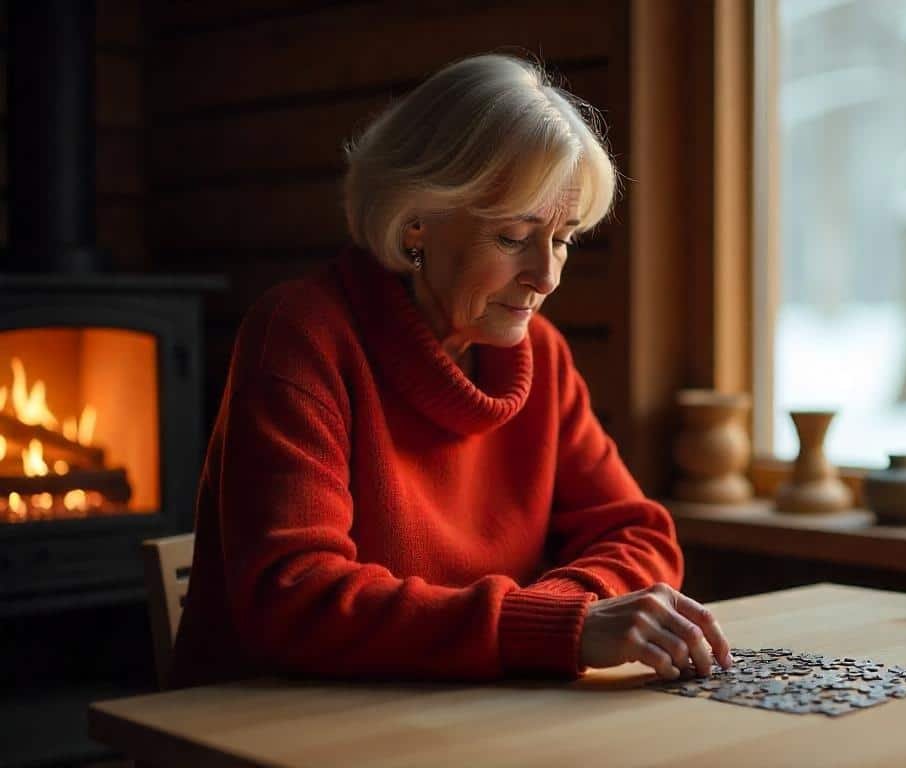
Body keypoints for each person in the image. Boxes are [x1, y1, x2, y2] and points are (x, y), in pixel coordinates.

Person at [170, 54, 731, 688]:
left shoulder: (539, 355)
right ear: (416, 223)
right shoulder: (302, 334)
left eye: (564, 238)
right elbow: (294, 596)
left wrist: (564, 613)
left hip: (466, 714)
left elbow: (638, 532)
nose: (546, 277)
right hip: (271, 726)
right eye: (514, 237)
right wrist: (557, 628)